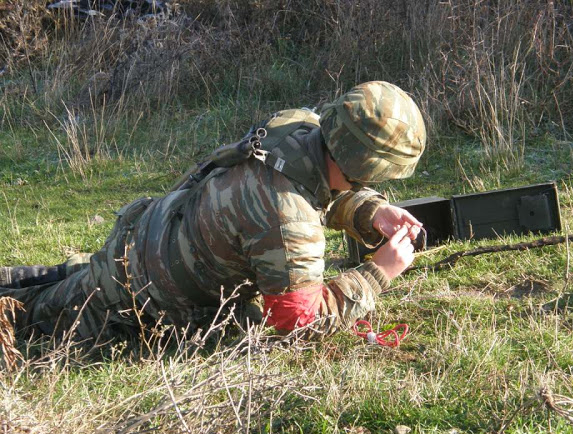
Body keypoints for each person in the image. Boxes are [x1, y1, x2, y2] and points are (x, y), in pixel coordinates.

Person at [0, 80, 426, 342]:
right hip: (138, 297)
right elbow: (297, 319)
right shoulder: (288, 218)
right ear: (365, 165)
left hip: (150, 237)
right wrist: (379, 272)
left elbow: (317, 184)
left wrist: (369, 212)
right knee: (31, 319)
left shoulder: (299, 128)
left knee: (62, 278)